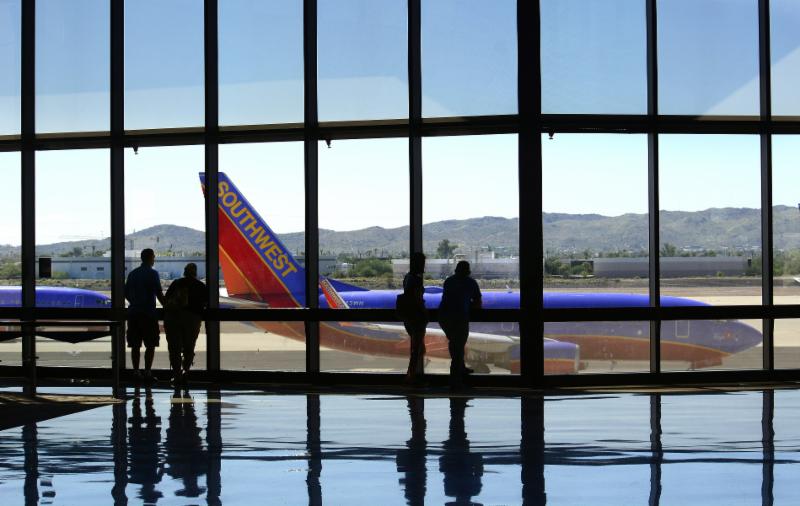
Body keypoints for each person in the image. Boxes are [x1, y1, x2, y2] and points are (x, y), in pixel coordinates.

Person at [438, 260, 481, 388]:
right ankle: (455, 380)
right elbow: (478, 303)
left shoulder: (449, 281)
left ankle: (460, 369)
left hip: (444, 317)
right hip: (460, 317)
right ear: (468, 271)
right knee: (458, 346)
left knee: (455, 344)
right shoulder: (471, 283)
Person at [163, 263, 208, 384]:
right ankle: (185, 371)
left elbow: (166, 299)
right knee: (189, 346)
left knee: (174, 348)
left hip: (174, 318)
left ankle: (177, 375)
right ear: (195, 272)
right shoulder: (200, 286)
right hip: (192, 319)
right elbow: (205, 303)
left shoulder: (176, 283)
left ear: (184, 271)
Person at [125, 248, 165, 382]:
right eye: (153, 257)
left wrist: (135, 302)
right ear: (150, 258)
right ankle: (147, 372)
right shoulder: (153, 273)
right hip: (149, 314)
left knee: (135, 345)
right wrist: (167, 306)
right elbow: (159, 293)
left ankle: (136, 372)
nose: (154, 259)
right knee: (150, 345)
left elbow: (126, 293)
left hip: (134, 314)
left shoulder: (133, 274)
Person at [402, 252, 428, 384]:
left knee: (418, 349)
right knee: (417, 349)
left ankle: (411, 376)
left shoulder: (407, 277)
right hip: (416, 317)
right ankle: (411, 377)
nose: (424, 266)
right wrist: (424, 314)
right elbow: (418, 300)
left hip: (408, 317)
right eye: (423, 263)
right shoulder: (416, 280)